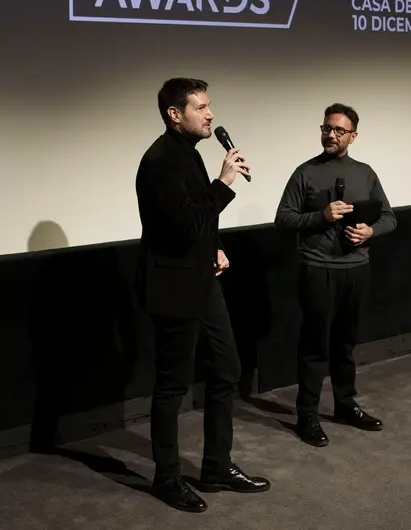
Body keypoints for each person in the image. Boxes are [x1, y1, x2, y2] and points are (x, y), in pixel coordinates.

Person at [134, 78, 271, 511]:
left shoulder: (189, 153)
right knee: (172, 387)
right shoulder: (160, 161)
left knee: (228, 369)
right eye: (201, 107)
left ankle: (216, 467)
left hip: (202, 279)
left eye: (210, 106)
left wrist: (216, 246)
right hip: (173, 286)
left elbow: (195, 220)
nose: (211, 114)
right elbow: (182, 226)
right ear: (175, 114)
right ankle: (167, 478)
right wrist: (224, 182)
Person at [274, 103, 397, 446]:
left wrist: (370, 232)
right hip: (317, 269)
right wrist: (321, 217)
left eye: (339, 130)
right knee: (315, 345)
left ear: (353, 136)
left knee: (345, 343)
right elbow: (283, 219)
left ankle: (345, 405)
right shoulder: (305, 173)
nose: (331, 135)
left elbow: (389, 217)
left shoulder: (365, 173)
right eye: (327, 128)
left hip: (356, 269)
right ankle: (307, 415)